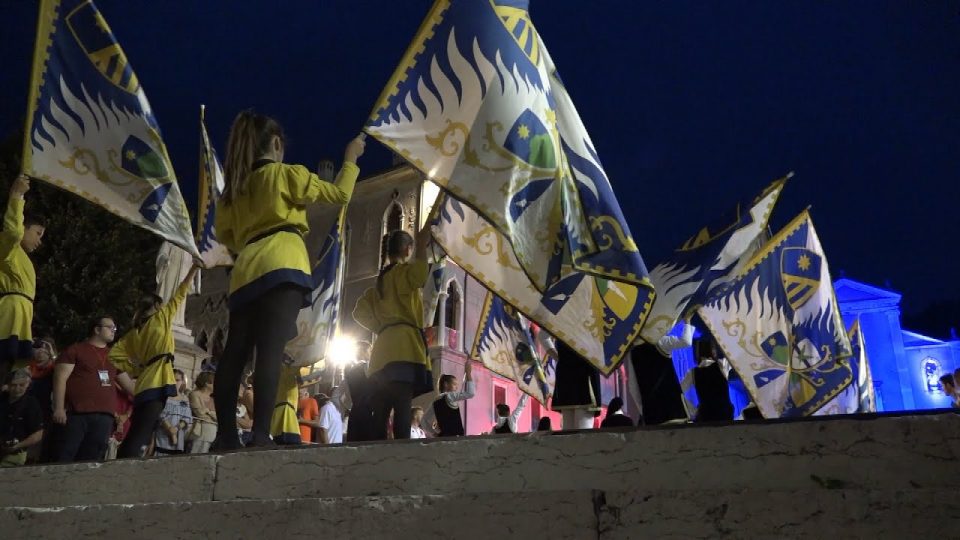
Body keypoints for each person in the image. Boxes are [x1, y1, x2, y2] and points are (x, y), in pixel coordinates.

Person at [212, 111, 365, 450]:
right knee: (270, 351)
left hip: (246, 271)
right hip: (283, 263)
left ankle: (225, 435)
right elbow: (340, 195)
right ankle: (261, 435)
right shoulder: (286, 175)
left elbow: (228, 237)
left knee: (234, 353)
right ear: (277, 144)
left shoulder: (232, 194)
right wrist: (350, 158)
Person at [352, 227, 435, 440]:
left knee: (381, 409)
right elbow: (420, 274)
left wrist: (380, 327)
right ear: (408, 250)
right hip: (404, 348)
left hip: (381, 351)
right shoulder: (403, 274)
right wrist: (423, 247)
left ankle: (377, 454)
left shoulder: (378, 284)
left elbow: (358, 312)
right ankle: (401, 455)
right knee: (402, 405)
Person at [110, 266, 199, 458]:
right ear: (157, 306)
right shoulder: (161, 318)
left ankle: (124, 459)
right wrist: (195, 268)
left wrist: (137, 368)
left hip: (144, 382)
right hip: (157, 380)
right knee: (143, 429)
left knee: (139, 427)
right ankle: (126, 463)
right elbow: (181, 291)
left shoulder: (134, 332)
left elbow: (114, 356)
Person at [53, 317, 133, 462]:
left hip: (105, 418)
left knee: (91, 461)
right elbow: (60, 378)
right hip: (77, 414)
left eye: (115, 328)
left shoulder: (115, 356)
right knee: (64, 457)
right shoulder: (76, 350)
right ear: (96, 329)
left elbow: (130, 386)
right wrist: (58, 408)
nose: (114, 331)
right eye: (110, 327)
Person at [0, 176, 45, 383]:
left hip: (19, 321)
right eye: (38, 233)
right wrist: (17, 196)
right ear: (25, 228)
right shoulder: (8, 248)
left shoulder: (22, 257)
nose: (39, 240)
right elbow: (12, 231)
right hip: (7, 317)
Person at [627, 320, 696, 426]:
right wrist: (687, 321)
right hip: (674, 409)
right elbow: (686, 341)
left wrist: (644, 409)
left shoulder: (631, 353)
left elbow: (632, 386)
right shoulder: (660, 342)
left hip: (652, 414)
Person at [551, 340, 601, 430]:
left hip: (565, 374)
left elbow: (542, 337)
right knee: (584, 434)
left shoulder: (561, 325)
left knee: (568, 431)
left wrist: (560, 358)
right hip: (585, 374)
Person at [0, 369, 43, 466]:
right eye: (13, 385)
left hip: (15, 453)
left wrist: (17, 446)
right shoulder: (2, 400)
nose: (17, 389)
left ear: (28, 385)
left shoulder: (31, 404)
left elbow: (38, 433)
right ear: (7, 385)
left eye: (22, 385)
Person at [421, 361, 475, 438]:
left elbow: (424, 420)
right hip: (455, 437)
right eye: (454, 384)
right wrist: (468, 373)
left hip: (443, 437)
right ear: (446, 384)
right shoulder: (450, 396)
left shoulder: (435, 401)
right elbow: (470, 393)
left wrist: (433, 433)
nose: (456, 388)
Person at [691, 337, 734, 422]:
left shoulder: (692, 373)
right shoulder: (722, 364)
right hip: (724, 412)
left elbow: (689, 397)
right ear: (713, 350)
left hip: (705, 415)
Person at [154, 369, 192, 456]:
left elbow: (187, 417)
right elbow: (160, 414)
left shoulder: (185, 399)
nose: (174, 382)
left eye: (177, 380)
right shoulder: (163, 396)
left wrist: (175, 429)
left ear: (182, 382)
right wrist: (169, 429)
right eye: (172, 379)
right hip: (162, 433)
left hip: (178, 435)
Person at [343, 342, 374, 442]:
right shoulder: (367, 366)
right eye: (370, 351)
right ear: (363, 351)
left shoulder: (349, 370)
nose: (371, 354)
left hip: (354, 411)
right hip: (367, 411)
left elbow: (344, 396)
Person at [188, 371, 217, 453]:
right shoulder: (195, 394)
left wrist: (208, 411)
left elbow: (219, 418)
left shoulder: (214, 399)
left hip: (212, 432)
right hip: (198, 432)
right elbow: (200, 413)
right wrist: (212, 414)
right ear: (207, 383)